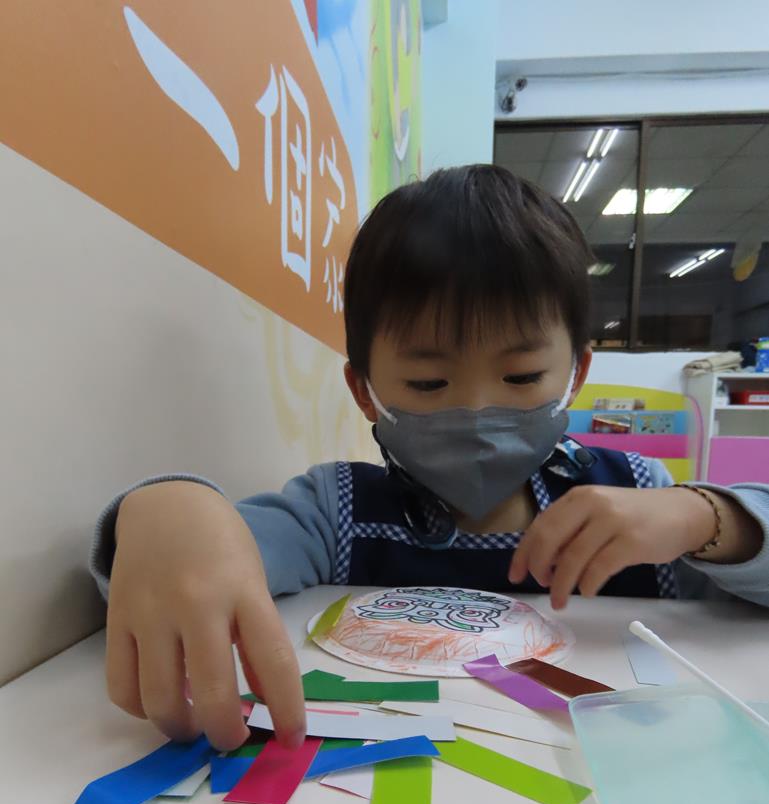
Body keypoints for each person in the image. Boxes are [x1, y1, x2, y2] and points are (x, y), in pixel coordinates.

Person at [89, 165, 769, 753]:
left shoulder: (638, 496)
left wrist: (708, 517)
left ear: (576, 373)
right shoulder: (335, 514)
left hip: (601, 779)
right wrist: (169, 513)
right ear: (364, 390)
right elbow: (195, 579)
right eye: (427, 383)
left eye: (522, 376)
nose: (475, 410)